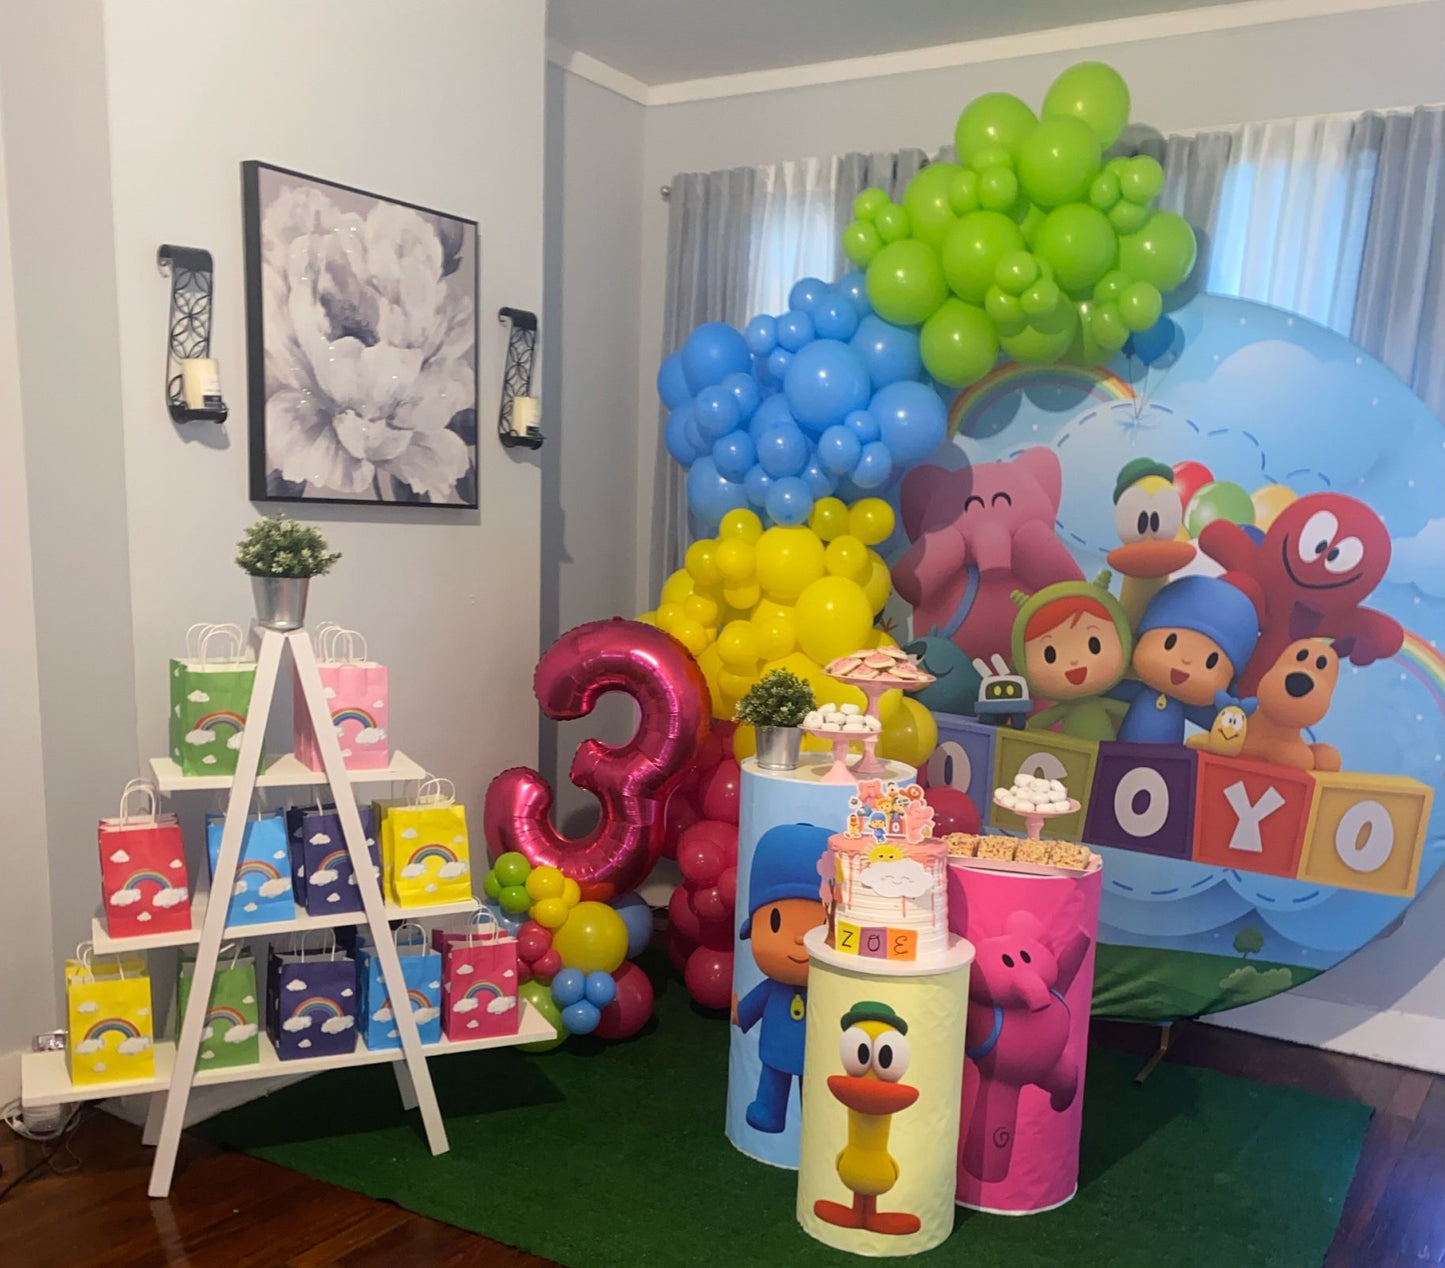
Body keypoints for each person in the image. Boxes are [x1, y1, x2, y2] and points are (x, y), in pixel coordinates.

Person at [731, 823, 829, 1134]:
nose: (800, 938)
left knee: (813, 1088)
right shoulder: (772, 988)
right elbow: (753, 1005)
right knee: (772, 1078)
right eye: (776, 922)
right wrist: (739, 1012)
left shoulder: (830, 990)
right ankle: (769, 1112)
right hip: (775, 1049)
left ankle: (813, 1121)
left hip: (816, 1054)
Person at [1110, 574, 1262, 745]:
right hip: (1120, 753)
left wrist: (1234, 716)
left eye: (1210, 662)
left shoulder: (1190, 706)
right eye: (1170, 643)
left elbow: (1215, 720)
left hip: (1169, 760)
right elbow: (1110, 690)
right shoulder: (1138, 691)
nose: (1186, 660)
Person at [1011, 579, 1133, 741]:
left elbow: (1131, 713)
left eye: (1094, 645)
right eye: (1050, 655)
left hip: (1106, 753)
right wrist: (1025, 726)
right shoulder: (1066, 708)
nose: (1074, 662)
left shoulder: (1104, 704)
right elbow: (1040, 721)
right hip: (1069, 754)